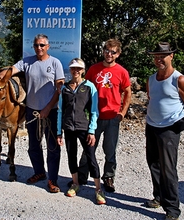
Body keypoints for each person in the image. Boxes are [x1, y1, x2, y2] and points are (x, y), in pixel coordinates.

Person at [144, 42, 184, 220]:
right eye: (156, 57)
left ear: (171, 56)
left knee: (168, 168)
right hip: (152, 125)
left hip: (169, 128)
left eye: (162, 56)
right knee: (153, 163)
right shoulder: (151, 79)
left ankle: (172, 209)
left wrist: (177, 119)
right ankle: (158, 196)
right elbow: (151, 98)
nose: (159, 60)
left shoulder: (178, 79)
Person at [75, 39, 132, 193]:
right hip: (95, 116)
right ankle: (82, 175)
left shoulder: (122, 72)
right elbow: (85, 90)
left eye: (113, 52)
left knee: (110, 149)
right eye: (107, 50)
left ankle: (108, 177)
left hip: (113, 117)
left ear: (118, 54)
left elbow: (127, 92)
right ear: (103, 50)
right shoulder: (94, 69)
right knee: (89, 146)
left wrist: (123, 112)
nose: (109, 54)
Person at [11, 33, 65, 193]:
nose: (39, 48)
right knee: (34, 145)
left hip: (51, 111)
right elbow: (12, 70)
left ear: (48, 46)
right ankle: (39, 172)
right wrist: (0, 74)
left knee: (53, 146)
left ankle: (53, 179)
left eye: (42, 45)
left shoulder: (55, 63)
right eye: (36, 45)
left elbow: (59, 89)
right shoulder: (26, 62)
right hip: (32, 110)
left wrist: (48, 108)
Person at [56, 58, 106, 205]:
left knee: (91, 158)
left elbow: (94, 111)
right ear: (70, 70)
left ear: (83, 70)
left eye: (79, 68)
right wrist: (59, 132)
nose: (75, 71)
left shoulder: (90, 87)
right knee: (71, 156)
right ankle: (75, 183)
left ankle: (98, 189)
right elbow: (60, 111)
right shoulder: (65, 88)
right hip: (68, 128)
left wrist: (92, 131)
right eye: (73, 68)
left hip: (84, 128)